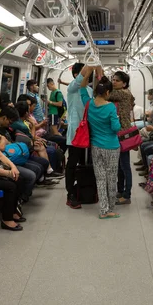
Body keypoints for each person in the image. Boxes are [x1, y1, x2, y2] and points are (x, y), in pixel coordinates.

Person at [79, 65, 121, 219]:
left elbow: (82, 89)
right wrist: (118, 120)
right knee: (111, 177)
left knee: (100, 178)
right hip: (111, 146)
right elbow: (116, 128)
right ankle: (110, 207)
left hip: (95, 146)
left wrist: (87, 74)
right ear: (108, 92)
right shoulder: (110, 107)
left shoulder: (88, 104)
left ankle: (103, 210)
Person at [64, 62, 93, 209]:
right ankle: (70, 193)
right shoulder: (72, 88)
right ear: (76, 75)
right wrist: (89, 63)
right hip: (75, 133)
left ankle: (83, 188)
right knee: (72, 163)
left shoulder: (89, 90)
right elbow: (82, 75)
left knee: (84, 162)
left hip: (88, 132)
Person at [109, 71, 135, 205]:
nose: (114, 82)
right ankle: (120, 190)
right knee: (120, 164)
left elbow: (106, 94)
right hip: (120, 131)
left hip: (122, 133)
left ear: (124, 83)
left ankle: (127, 195)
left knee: (124, 165)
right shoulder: (127, 94)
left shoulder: (122, 93)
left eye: (117, 80)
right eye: (113, 80)